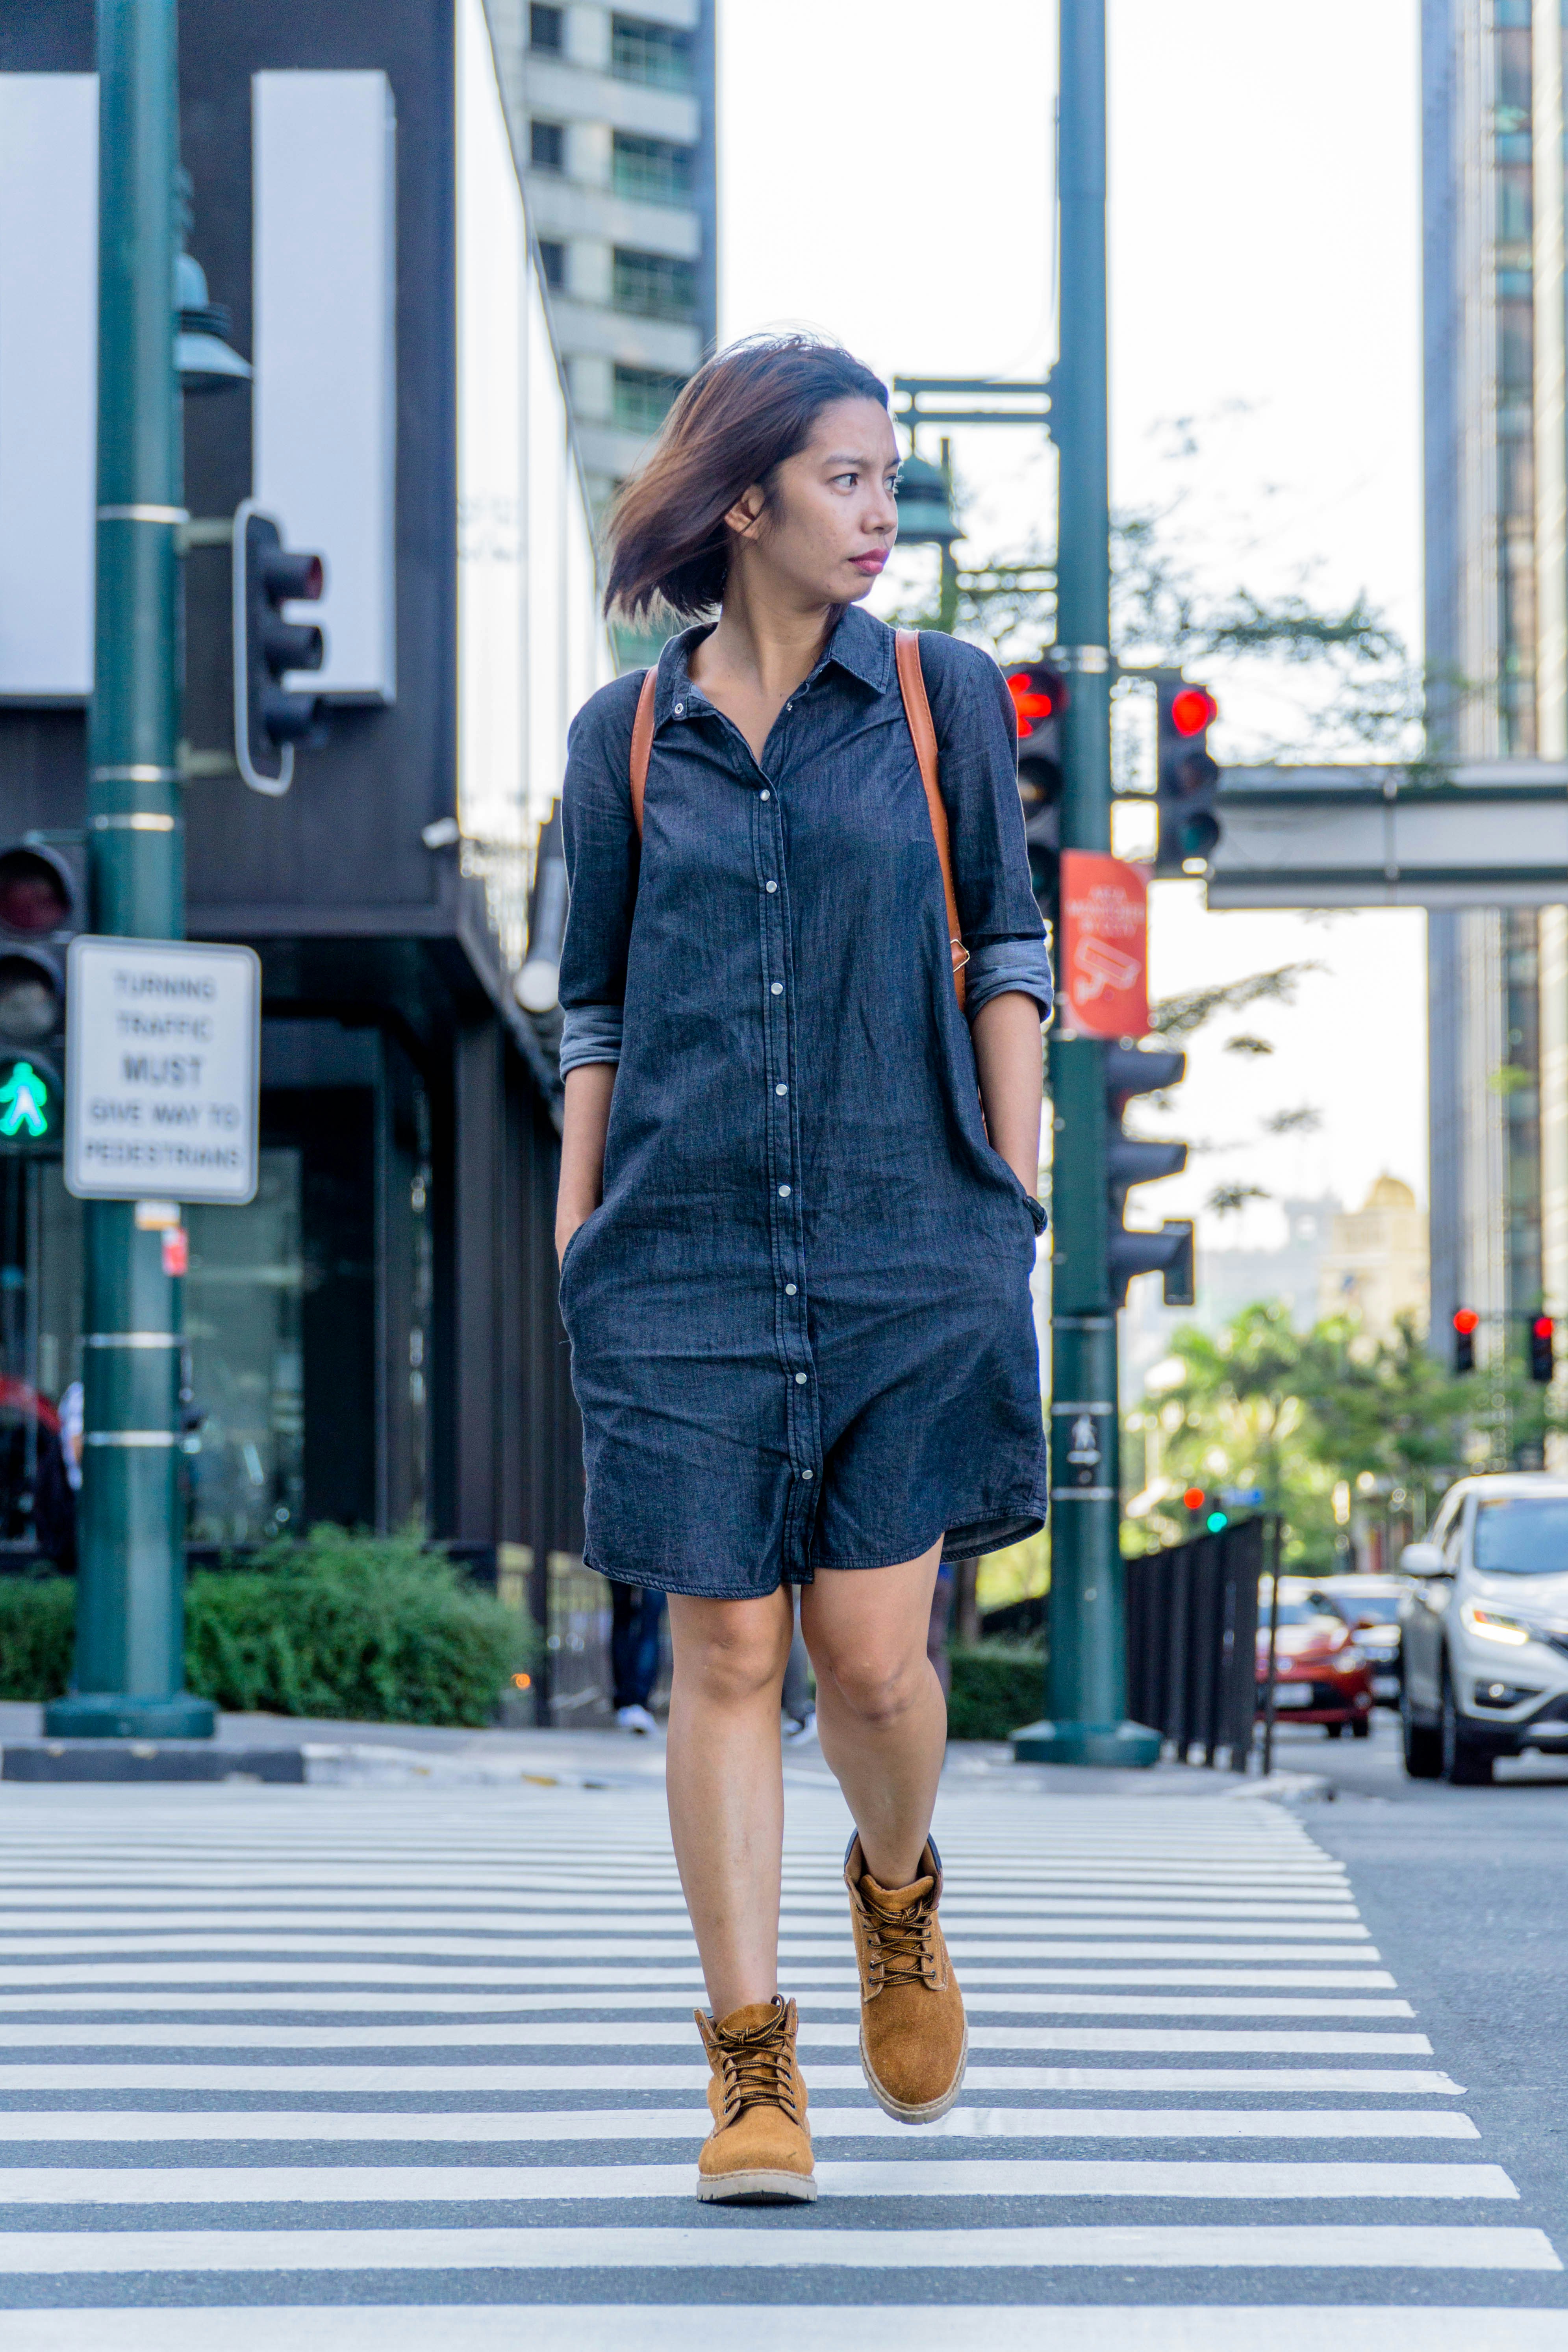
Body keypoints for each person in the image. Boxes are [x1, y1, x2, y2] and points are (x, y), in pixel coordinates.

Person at [554, 335, 1051, 2205]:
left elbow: (1003, 940)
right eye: (850, 478)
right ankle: (751, 2066)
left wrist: (1005, 1176)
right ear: (744, 496)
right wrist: (579, 1215)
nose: (881, 515)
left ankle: (897, 1893)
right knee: (724, 1645)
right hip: (676, 1243)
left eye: (892, 481)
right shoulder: (623, 734)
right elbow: (589, 994)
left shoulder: (939, 697)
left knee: (865, 1659)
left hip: (904, 1227)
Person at [609, 1577, 665, 1733]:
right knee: (650, 1625)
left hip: (618, 1552)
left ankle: (626, 1702)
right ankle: (640, 1703)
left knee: (622, 1618)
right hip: (660, 1555)